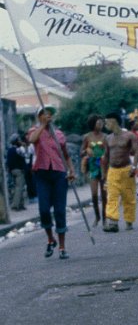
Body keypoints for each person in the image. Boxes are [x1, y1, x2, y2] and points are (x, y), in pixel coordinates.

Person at [27, 106, 76, 259]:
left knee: (60, 211)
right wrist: (42, 126)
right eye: (44, 114)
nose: (48, 116)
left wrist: (71, 170)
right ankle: (50, 238)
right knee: (44, 210)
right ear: (39, 117)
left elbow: (66, 155)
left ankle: (62, 247)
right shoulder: (34, 130)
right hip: (42, 174)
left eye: (50, 114)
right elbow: (32, 140)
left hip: (59, 174)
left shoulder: (59, 134)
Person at [102, 111, 138, 232]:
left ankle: (129, 221)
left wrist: (134, 167)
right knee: (112, 196)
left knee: (128, 197)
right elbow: (106, 156)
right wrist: (104, 174)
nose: (105, 124)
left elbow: (136, 151)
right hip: (112, 171)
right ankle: (113, 223)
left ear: (114, 121)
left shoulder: (129, 136)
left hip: (127, 170)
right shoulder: (108, 138)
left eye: (107, 121)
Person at [80, 114, 108, 226]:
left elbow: (108, 151)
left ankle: (105, 218)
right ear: (93, 124)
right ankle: (97, 216)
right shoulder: (87, 137)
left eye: (102, 123)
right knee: (94, 194)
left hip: (103, 167)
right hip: (92, 168)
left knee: (104, 194)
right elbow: (81, 152)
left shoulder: (105, 136)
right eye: (98, 123)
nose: (100, 124)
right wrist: (87, 150)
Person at [6, 134, 27, 211]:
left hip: (12, 171)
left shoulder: (10, 150)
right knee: (19, 188)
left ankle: (21, 204)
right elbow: (24, 155)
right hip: (19, 170)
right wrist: (23, 146)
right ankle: (15, 205)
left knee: (19, 187)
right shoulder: (18, 149)